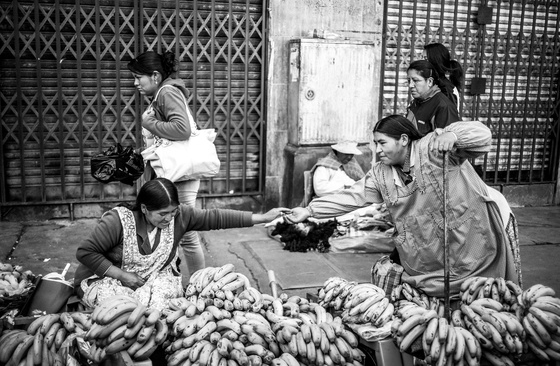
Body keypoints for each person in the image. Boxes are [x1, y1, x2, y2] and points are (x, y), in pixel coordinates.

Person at [286, 115, 518, 297]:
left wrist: (454, 136)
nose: (377, 150)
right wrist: (309, 211)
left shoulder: (434, 148)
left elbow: (482, 135)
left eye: (382, 143)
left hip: (476, 235)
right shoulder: (380, 174)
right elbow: (351, 197)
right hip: (435, 255)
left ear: (404, 140)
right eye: (375, 143)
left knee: (490, 295)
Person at [74, 178, 289, 311]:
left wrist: (262, 218)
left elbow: (216, 217)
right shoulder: (117, 221)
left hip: (154, 277)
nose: (169, 219)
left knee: (164, 311)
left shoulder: (180, 216)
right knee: (124, 311)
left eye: (173, 212)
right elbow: (85, 252)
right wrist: (122, 276)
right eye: (162, 214)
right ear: (145, 209)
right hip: (111, 278)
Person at [127, 50, 205, 281]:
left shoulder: (166, 92)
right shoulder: (166, 92)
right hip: (175, 174)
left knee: (186, 232)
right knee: (175, 231)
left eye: (137, 77)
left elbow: (182, 130)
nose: (135, 83)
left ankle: (200, 286)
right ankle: (178, 283)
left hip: (179, 177)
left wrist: (148, 122)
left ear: (154, 76)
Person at [406, 60, 460, 137]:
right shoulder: (416, 102)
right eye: (409, 81)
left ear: (430, 82)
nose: (410, 85)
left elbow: (445, 142)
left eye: (415, 80)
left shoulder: (444, 106)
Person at [424, 43, 464, 107]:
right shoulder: (429, 83)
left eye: (426, 59)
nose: (422, 63)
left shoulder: (447, 89)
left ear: (435, 61)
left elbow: (450, 115)